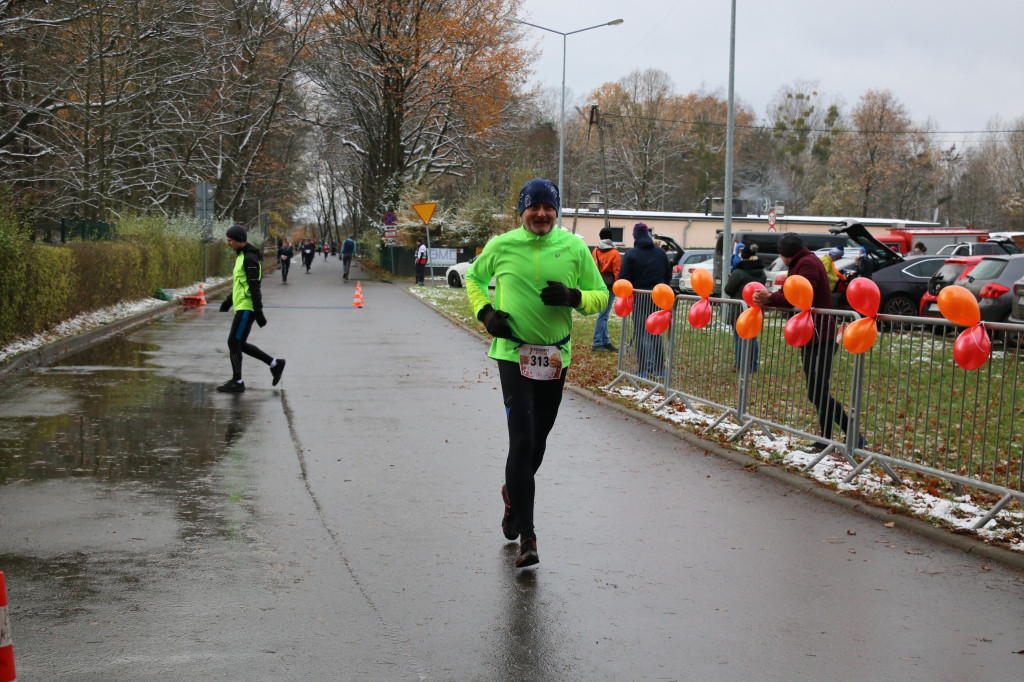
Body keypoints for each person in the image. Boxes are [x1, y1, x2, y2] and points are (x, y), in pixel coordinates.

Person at [465, 177, 607, 569]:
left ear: (556, 211)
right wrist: (486, 313)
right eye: (534, 207)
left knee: (538, 443)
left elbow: (601, 295)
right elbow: (473, 279)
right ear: (522, 210)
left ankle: (512, 495)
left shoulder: (575, 247)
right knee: (523, 440)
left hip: (555, 357)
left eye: (549, 208)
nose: (541, 214)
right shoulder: (501, 245)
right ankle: (528, 535)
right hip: (513, 353)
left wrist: (574, 297)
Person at [752, 233, 862, 452]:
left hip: (822, 335)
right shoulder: (803, 263)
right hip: (811, 334)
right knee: (818, 391)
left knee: (817, 391)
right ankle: (827, 439)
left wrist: (770, 299)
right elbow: (790, 293)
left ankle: (851, 435)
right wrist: (774, 297)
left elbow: (802, 296)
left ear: (784, 254)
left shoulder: (808, 265)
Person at [217, 224, 286, 393]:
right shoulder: (241, 256)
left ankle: (238, 381)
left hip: (248, 307)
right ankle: (275, 364)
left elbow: (254, 287)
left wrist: (258, 311)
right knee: (240, 343)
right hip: (242, 305)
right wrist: (228, 301)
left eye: (230, 240)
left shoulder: (250, 259)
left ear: (239, 241)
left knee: (234, 341)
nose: (228, 244)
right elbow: (239, 285)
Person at [619, 221, 672, 380]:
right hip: (658, 298)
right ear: (648, 234)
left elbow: (623, 279)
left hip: (640, 298)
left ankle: (642, 369)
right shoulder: (660, 253)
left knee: (641, 334)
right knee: (656, 334)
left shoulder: (631, 254)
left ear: (635, 237)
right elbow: (668, 275)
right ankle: (659, 370)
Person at [723, 243, 766, 372]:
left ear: (743, 258)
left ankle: (740, 364)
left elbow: (728, 290)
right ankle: (753, 365)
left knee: (739, 336)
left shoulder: (739, 272)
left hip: (739, 309)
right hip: (755, 309)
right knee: (752, 337)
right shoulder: (761, 273)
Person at [591, 227, 621, 352]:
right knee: (603, 315)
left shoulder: (595, 251)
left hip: (598, 285)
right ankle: (598, 342)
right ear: (611, 238)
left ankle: (605, 341)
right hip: (609, 287)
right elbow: (617, 272)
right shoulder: (615, 253)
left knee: (604, 314)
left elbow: (592, 268)